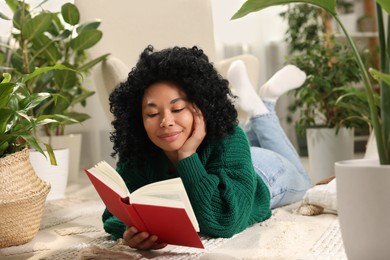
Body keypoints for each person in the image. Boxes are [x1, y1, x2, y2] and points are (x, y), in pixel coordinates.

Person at [106, 45, 311, 250]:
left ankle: (264, 107)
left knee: (305, 181)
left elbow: (225, 221)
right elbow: (113, 214)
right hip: (231, 160)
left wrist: (186, 156)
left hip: (267, 174)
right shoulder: (138, 150)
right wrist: (129, 231)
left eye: (177, 108)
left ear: (201, 108)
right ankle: (262, 105)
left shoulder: (228, 137)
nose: (166, 121)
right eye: (152, 114)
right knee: (242, 144)